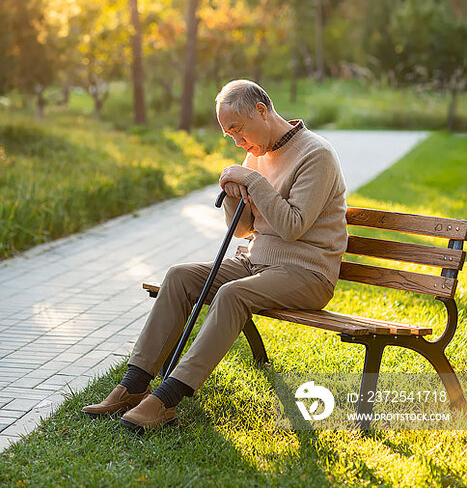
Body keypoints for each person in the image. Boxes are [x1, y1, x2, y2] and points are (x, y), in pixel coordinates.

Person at [82, 79, 348, 432]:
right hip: (258, 263)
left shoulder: (317, 154)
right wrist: (235, 192)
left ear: (261, 111)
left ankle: (167, 399)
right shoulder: (257, 154)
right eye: (230, 136)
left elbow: (292, 226)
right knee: (179, 276)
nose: (238, 142)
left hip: (306, 274)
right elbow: (242, 229)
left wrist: (251, 182)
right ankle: (133, 386)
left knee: (233, 293)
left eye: (238, 130)